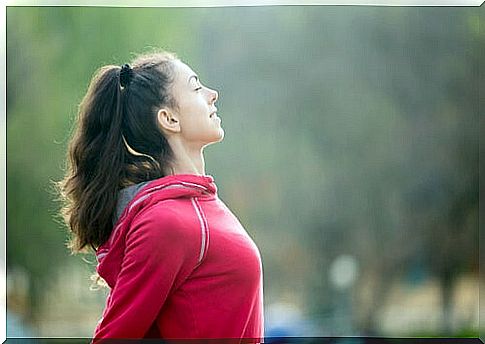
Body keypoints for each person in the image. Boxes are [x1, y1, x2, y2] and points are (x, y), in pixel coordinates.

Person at [57, 50, 264, 341]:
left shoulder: (199, 205)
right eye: (195, 87)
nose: (212, 94)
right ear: (169, 119)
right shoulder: (167, 222)